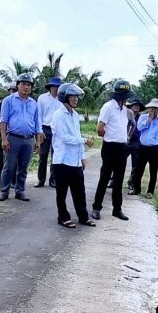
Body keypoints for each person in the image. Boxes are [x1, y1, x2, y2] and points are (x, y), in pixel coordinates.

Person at [51, 82, 97, 228]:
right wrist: (84, 140)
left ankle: (83, 217)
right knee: (62, 192)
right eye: (73, 97)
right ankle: (63, 217)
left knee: (79, 192)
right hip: (62, 160)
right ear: (65, 97)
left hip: (75, 160)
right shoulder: (58, 115)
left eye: (77, 97)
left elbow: (75, 135)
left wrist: (82, 157)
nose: (76, 99)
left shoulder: (75, 115)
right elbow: (65, 138)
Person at [91, 79, 133, 221]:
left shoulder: (125, 110)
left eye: (125, 95)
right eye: (122, 94)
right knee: (104, 178)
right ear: (117, 95)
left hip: (122, 147)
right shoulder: (108, 107)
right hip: (110, 147)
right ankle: (96, 207)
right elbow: (99, 129)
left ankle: (117, 209)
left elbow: (129, 127)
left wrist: (124, 138)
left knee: (118, 180)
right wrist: (109, 137)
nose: (124, 97)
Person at [0, 73, 43, 202]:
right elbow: (3, 121)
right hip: (13, 137)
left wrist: (38, 141)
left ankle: (20, 191)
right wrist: (4, 139)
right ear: (17, 85)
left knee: (23, 168)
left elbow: (37, 123)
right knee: (9, 166)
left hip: (29, 139)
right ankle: (4, 192)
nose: (26, 87)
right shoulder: (9, 100)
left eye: (29, 85)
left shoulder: (34, 103)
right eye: (23, 84)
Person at [130, 98, 158, 199]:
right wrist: (148, 120)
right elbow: (139, 128)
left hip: (154, 149)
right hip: (142, 147)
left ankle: (150, 191)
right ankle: (136, 189)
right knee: (138, 169)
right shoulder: (143, 117)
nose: (153, 110)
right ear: (149, 108)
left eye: (156, 108)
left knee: (153, 171)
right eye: (152, 108)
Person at [35, 77, 61, 188]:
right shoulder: (42, 98)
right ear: (50, 87)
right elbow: (38, 116)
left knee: (56, 156)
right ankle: (41, 179)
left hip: (57, 129)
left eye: (57, 86)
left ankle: (53, 179)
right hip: (45, 128)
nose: (55, 88)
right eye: (54, 86)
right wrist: (39, 131)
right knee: (43, 155)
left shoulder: (62, 99)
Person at [0, 83, 18, 189]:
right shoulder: (3, 102)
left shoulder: (20, 103)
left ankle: (12, 181)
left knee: (14, 159)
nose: (13, 92)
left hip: (15, 134)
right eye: (11, 90)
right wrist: (2, 133)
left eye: (15, 90)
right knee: (1, 158)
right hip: (4, 134)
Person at [125, 98, 144, 190]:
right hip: (126, 142)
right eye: (134, 105)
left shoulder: (141, 117)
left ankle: (132, 182)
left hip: (137, 143)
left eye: (138, 105)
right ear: (131, 106)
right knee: (119, 162)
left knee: (135, 164)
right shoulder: (125, 115)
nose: (136, 107)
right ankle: (114, 180)